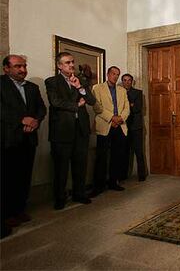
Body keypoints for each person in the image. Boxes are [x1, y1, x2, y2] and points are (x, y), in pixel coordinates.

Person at [1, 55, 46, 237]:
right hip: (8, 139)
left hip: (29, 139)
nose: (22, 70)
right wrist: (21, 119)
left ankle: (20, 209)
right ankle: (6, 213)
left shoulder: (32, 88)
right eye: (18, 66)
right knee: (7, 177)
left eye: (24, 66)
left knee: (24, 175)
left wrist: (36, 120)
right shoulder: (1, 84)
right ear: (6, 68)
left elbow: (42, 108)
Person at [45, 52, 96, 210]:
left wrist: (79, 87)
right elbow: (55, 102)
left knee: (80, 164)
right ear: (59, 65)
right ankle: (60, 198)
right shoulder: (52, 81)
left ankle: (79, 194)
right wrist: (77, 105)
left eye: (72, 62)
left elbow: (92, 101)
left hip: (81, 129)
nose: (71, 65)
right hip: (61, 130)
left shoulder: (81, 80)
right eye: (67, 62)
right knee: (61, 167)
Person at [91, 66, 130, 197]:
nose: (115, 76)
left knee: (117, 156)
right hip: (105, 126)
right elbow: (97, 107)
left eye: (117, 74)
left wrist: (119, 119)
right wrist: (111, 118)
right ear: (108, 74)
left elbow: (126, 108)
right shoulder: (98, 88)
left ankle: (113, 182)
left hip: (119, 126)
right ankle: (99, 185)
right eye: (113, 73)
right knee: (101, 157)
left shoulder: (122, 90)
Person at [121, 73, 147, 181]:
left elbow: (137, 108)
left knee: (139, 152)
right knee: (124, 152)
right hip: (123, 126)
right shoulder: (120, 92)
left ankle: (142, 175)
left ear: (132, 82)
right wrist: (130, 104)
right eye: (125, 80)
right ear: (122, 82)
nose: (127, 82)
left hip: (136, 127)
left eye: (129, 80)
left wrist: (128, 106)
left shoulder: (138, 93)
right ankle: (123, 176)